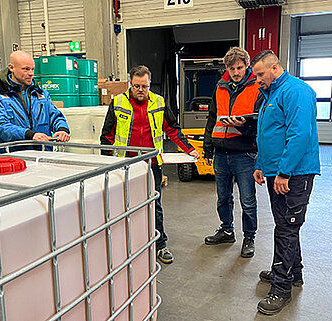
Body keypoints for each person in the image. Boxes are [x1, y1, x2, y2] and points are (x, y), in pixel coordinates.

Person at [100, 65, 200, 264]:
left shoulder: (159, 102)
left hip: (151, 164)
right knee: (123, 206)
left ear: (149, 84)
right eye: (136, 86)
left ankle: (160, 244)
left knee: (154, 204)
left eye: (144, 86)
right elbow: (107, 136)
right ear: (130, 84)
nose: (140, 90)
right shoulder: (118, 102)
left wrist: (189, 149)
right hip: (124, 165)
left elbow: (172, 130)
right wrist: (107, 165)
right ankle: (127, 246)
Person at [250, 50, 320, 315]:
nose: (257, 80)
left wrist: (284, 173)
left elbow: (299, 134)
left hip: (295, 174)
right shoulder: (272, 93)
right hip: (276, 170)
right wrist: (261, 165)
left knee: (287, 228)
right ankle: (295, 272)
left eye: (260, 74)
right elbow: (269, 133)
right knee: (286, 224)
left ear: (275, 68)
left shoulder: (296, 91)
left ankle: (281, 288)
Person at [202, 47, 263, 258]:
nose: (236, 72)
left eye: (239, 67)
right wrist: (207, 146)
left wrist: (243, 127)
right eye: (231, 68)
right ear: (226, 68)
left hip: (244, 153)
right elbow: (212, 117)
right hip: (221, 152)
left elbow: (260, 123)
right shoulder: (220, 87)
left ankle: (249, 237)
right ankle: (227, 230)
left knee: (248, 199)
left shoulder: (257, 87)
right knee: (223, 198)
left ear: (247, 66)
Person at [0, 51, 70, 149]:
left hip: (43, 154)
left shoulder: (41, 94)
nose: (31, 73)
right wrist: (29, 135)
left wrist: (62, 129)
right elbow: (0, 126)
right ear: (11, 68)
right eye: (26, 69)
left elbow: (54, 116)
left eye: (32, 69)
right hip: (13, 157)